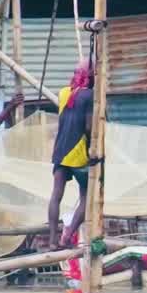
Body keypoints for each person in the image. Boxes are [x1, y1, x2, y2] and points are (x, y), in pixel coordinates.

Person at [48, 60, 95, 249]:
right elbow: (89, 127)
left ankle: (52, 240)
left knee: (56, 195)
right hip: (79, 154)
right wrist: (94, 151)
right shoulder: (90, 95)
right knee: (87, 196)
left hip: (60, 151)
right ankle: (68, 235)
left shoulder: (63, 92)